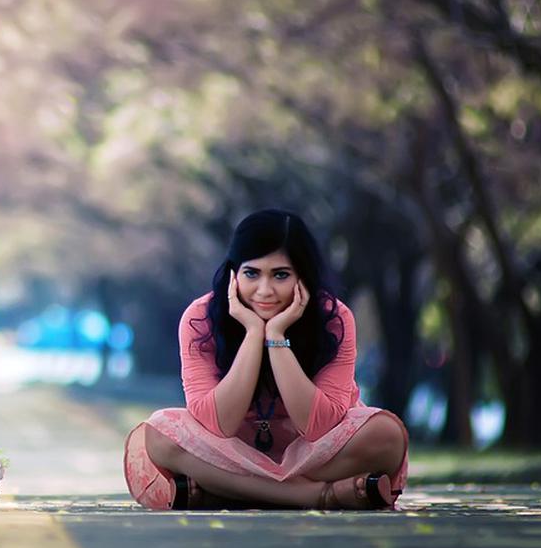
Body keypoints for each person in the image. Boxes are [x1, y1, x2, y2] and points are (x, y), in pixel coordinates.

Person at [124, 209, 408, 510]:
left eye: (281, 275)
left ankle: (226, 492)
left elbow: (319, 427)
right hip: (230, 452)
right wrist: (252, 333)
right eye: (251, 273)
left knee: (386, 434)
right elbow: (217, 424)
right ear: (234, 274)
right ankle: (314, 495)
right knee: (159, 434)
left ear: (303, 276)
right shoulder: (200, 318)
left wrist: (275, 336)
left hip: (314, 454)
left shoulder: (334, 318)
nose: (264, 290)